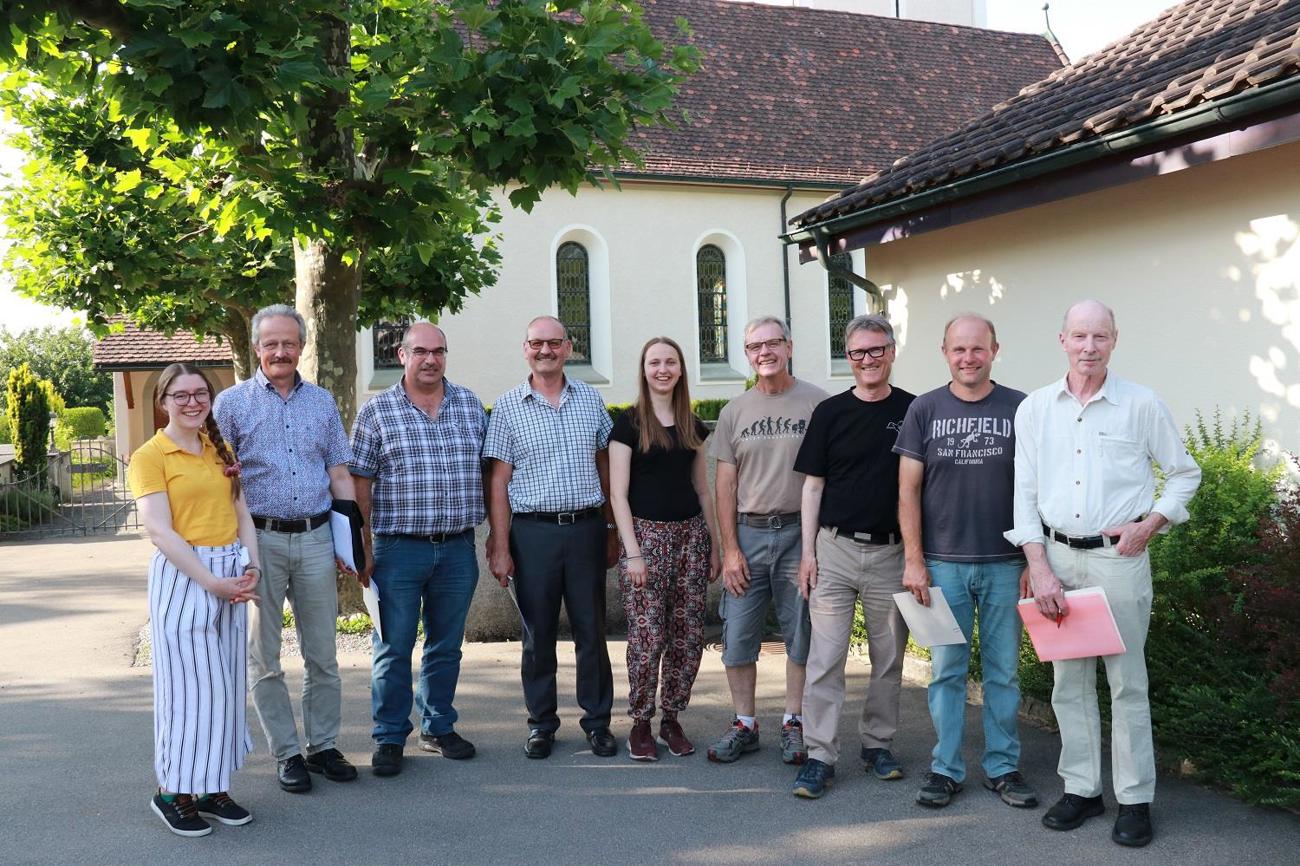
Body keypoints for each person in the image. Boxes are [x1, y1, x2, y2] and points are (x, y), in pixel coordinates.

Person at [1007, 300, 1200, 847]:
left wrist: (1150, 526)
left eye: (1100, 337)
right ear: (1062, 339)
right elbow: (1023, 492)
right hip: (1058, 561)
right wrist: (1037, 564)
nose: (1089, 347)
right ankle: (1082, 790)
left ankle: (1135, 800)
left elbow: (1185, 475)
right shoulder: (1037, 409)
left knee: (1127, 683)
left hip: (1119, 561)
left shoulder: (1141, 405)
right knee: (1069, 684)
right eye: (1079, 336)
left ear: (1114, 340)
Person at [213, 304, 359, 794]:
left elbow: (339, 474)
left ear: (301, 347)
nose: (280, 351)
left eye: (288, 343)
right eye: (270, 343)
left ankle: (323, 746)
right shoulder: (230, 405)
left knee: (324, 654)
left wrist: (351, 541)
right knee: (265, 656)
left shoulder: (321, 402)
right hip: (261, 541)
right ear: (257, 348)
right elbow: (218, 480)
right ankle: (287, 752)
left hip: (318, 537)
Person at [894, 314, 1036, 809]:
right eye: (959, 349)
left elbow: (1036, 488)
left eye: (978, 349)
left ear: (994, 349)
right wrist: (914, 560)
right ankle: (945, 768)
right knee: (946, 672)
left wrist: (1033, 561)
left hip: (1005, 565)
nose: (968, 358)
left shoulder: (1022, 408)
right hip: (942, 566)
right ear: (945, 351)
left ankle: (1003, 767)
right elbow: (908, 491)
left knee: (1003, 672)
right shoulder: (924, 409)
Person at [350, 322, 488, 777]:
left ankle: (438, 726)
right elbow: (359, 485)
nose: (431, 359)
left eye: (439, 351)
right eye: (421, 351)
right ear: (401, 355)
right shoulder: (377, 411)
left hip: (457, 549)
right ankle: (389, 736)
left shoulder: (469, 405)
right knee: (393, 645)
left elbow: (491, 472)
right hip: (397, 551)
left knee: (447, 646)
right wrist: (362, 547)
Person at [129, 363, 260, 837]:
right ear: (163, 401)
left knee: (224, 687)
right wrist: (211, 581)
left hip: (230, 573)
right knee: (188, 693)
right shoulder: (150, 455)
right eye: (181, 395)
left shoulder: (215, 448)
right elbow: (160, 531)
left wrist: (253, 567)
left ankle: (209, 786)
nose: (192, 402)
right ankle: (172, 792)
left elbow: (241, 512)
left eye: (200, 393)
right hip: (188, 577)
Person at [789, 314, 914, 798]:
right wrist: (807, 554)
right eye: (859, 352)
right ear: (849, 358)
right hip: (834, 549)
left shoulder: (913, 410)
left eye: (877, 350)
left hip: (892, 554)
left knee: (888, 657)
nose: (868, 359)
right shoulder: (830, 413)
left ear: (891, 351)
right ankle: (820, 754)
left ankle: (877, 744)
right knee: (825, 656)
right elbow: (812, 487)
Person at [484, 315, 619, 759]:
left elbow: (606, 467)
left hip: (585, 528)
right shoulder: (507, 407)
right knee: (537, 635)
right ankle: (541, 723)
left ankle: (597, 723)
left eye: (554, 343)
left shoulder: (590, 400)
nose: (545, 350)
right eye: (536, 343)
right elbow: (498, 481)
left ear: (568, 348)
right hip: (532, 533)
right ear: (525, 349)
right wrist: (501, 546)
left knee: (591, 631)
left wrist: (612, 527)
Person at [707, 315, 828, 764]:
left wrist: (814, 548)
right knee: (738, 634)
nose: (765, 353)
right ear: (747, 355)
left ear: (789, 346)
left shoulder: (818, 403)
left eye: (772, 343)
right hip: (750, 536)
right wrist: (730, 549)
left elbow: (827, 478)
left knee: (801, 634)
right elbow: (725, 485)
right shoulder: (735, 411)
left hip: (801, 533)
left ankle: (793, 722)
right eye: (755, 347)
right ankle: (745, 723)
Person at [609, 337, 721, 761]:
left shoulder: (692, 424)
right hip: (647, 539)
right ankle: (640, 722)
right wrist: (632, 551)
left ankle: (672, 718)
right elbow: (618, 495)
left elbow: (702, 490)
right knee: (648, 634)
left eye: (670, 361)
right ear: (643, 369)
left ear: (680, 369)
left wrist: (714, 546)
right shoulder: (627, 425)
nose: (662, 369)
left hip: (691, 537)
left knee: (688, 636)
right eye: (654, 362)